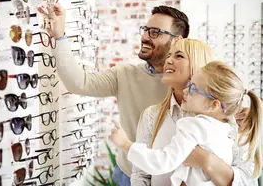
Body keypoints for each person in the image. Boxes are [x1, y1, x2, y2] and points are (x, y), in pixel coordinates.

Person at [37, 2, 250, 185]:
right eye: (145, 29)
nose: (145, 37)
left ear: (178, 40)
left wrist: (207, 161)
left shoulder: (216, 98)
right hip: (130, 172)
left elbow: (246, 177)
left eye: (155, 32)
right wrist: (60, 35)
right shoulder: (127, 77)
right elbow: (79, 83)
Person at [110, 59, 263, 185]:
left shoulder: (192, 125)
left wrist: (125, 144)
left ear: (214, 105)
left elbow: (163, 162)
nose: (185, 90)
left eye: (192, 88)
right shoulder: (224, 130)